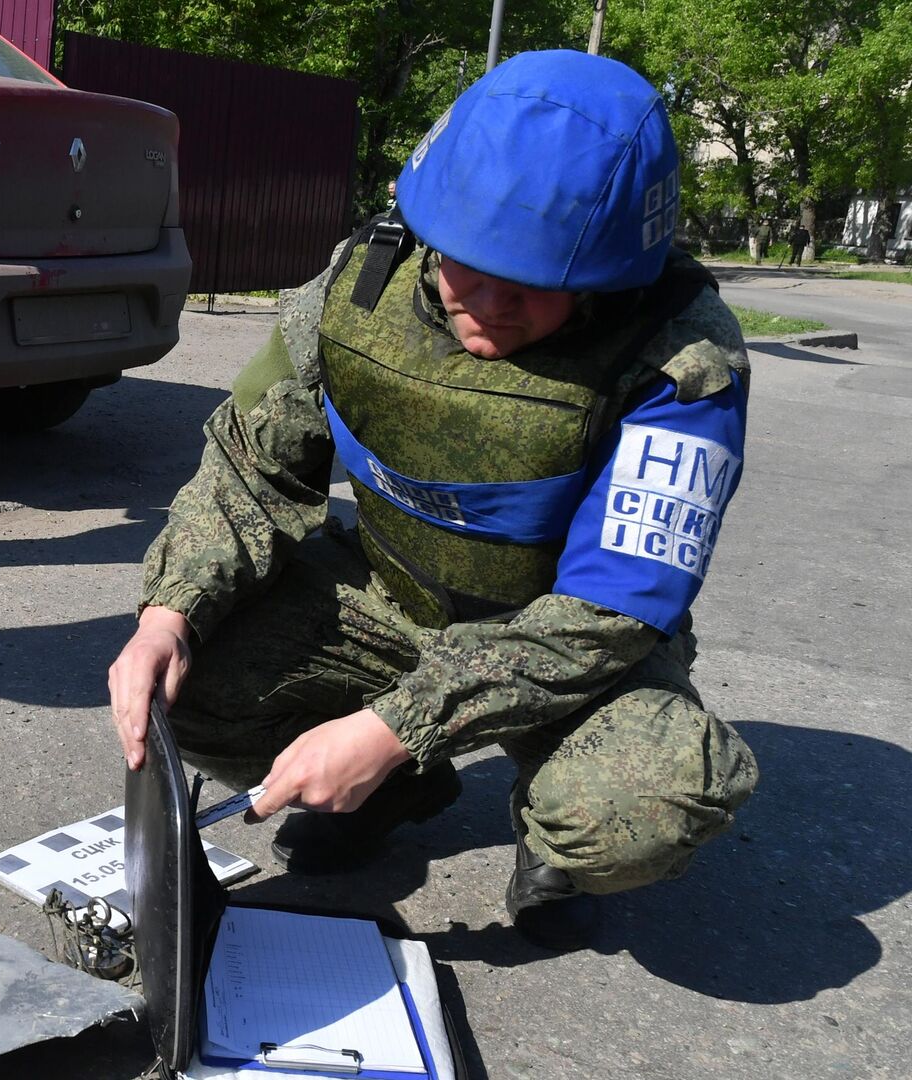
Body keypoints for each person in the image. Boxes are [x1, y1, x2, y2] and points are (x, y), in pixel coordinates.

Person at [106, 50, 758, 951]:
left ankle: (553, 843)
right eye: (462, 267)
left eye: (529, 287)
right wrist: (167, 613)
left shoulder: (680, 356)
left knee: (646, 806)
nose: (483, 307)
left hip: (567, 650)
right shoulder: (360, 284)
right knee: (189, 680)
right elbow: (250, 465)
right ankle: (395, 791)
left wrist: (394, 725)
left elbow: (608, 613)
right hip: (392, 600)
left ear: (611, 274)